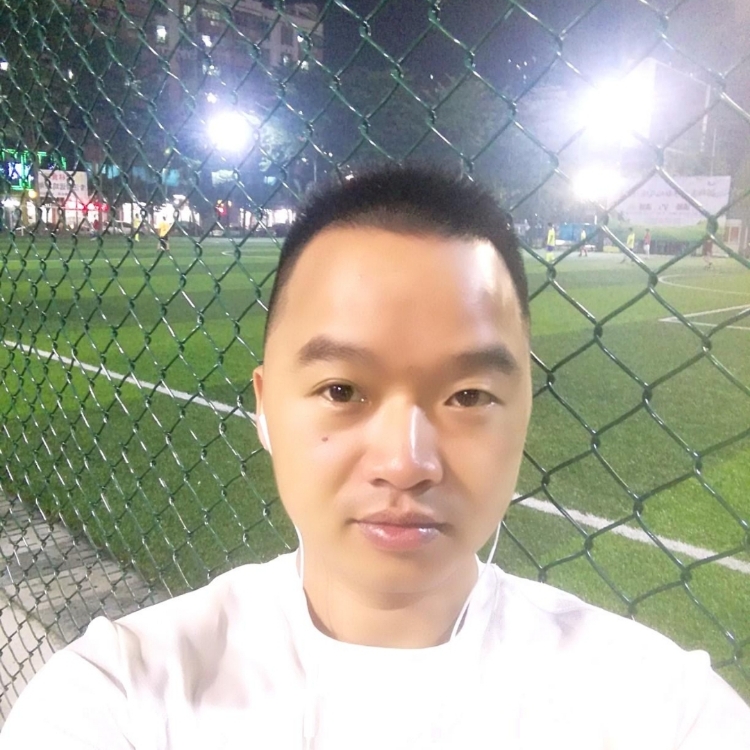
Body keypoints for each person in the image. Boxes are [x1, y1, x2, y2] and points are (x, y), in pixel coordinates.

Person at [1, 166, 749, 750]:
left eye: (468, 396)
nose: (405, 461)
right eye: (341, 390)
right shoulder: (121, 697)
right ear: (264, 407)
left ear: (525, 410)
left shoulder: (660, 710)